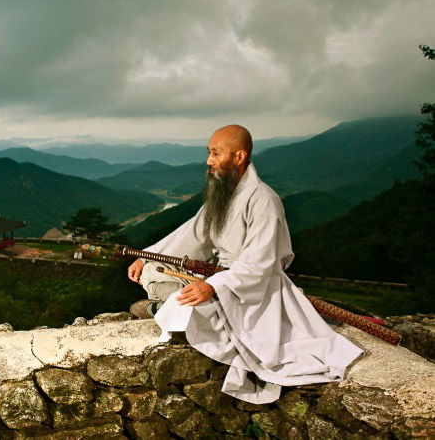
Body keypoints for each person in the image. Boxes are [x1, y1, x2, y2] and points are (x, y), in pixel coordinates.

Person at [127, 125, 363, 404]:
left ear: (239, 157)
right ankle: (166, 305)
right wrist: (147, 256)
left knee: (189, 310)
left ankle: (162, 307)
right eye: (209, 153)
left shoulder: (265, 201)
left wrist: (214, 286)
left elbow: (260, 264)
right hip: (220, 278)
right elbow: (194, 233)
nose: (208, 161)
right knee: (154, 271)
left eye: (216, 153)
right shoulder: (223, 194)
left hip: (253, 289)